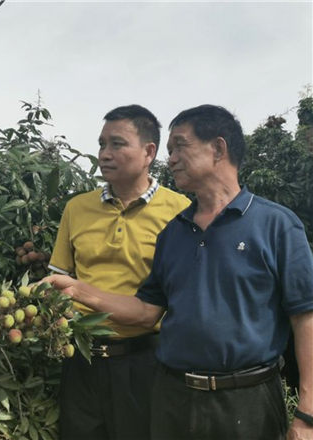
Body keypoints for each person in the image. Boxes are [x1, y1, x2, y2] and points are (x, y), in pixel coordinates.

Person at [44, 104, 313, 440]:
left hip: (247, 398)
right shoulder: (174, 233)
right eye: (169, 150)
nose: (170, 159)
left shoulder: (275, 224)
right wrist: (77, 290)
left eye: (180, 147)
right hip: (173, 397)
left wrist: (307, 414)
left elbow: (305, 317)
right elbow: (145, 311)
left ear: (218, 148)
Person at [48, 105, 190, 439]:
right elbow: (58, 280)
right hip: (81, 361)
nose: (104, 154)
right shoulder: (77, 208)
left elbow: (184, 296)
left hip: (146, 362)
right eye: (101, 144)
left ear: (149, 152)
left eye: (117, 144)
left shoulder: (180, 212)